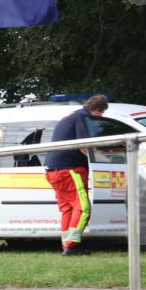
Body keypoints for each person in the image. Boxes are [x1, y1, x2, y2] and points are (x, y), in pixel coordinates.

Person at [44, 94, 106, 256]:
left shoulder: (70, 116)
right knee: (83, 208)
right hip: (69, 169)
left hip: (52, 170)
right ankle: (72, 245)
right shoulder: (83, 117)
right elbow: (83, 145)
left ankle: (67, 244)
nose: (101, 117)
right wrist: (102, 156)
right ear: (98, 109)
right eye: (102, 114)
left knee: (68, 209)